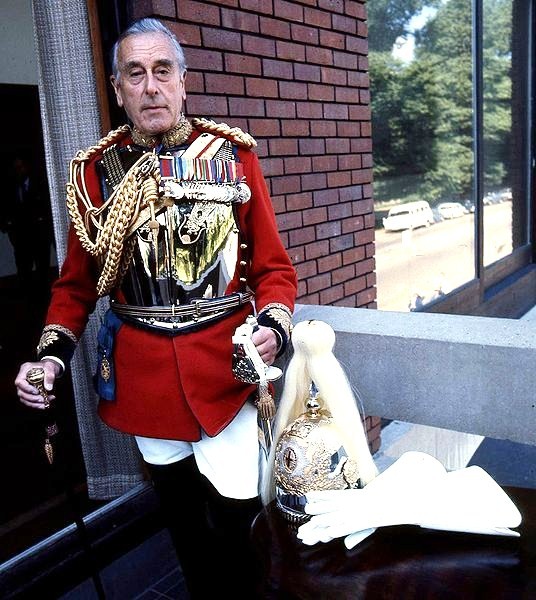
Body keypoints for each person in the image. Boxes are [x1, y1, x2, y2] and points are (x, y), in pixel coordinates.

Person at [14, 18, 297, 598]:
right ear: (117, 90)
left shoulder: (234, 157)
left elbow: (274, 270)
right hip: (144, 381)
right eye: (134, 74)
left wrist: (272, 325)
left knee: (242, 521)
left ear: (184, 83)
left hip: (226, 375)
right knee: (184, 523)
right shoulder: (95, 174)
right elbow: (75, 288)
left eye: (162, 71)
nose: (150, 87)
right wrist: (51, 358)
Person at [1, 156, 53, 302]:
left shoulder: (40, 186)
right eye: (16, 168)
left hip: (39, 237)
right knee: (24, 271)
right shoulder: (12, 189)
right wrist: (8, 227)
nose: (19, 171)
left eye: (21, 167)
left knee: (42, 269)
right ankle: (28, 300)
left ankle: (44, 299)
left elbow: (47, 209)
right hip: (21, 238)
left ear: (27, 167)